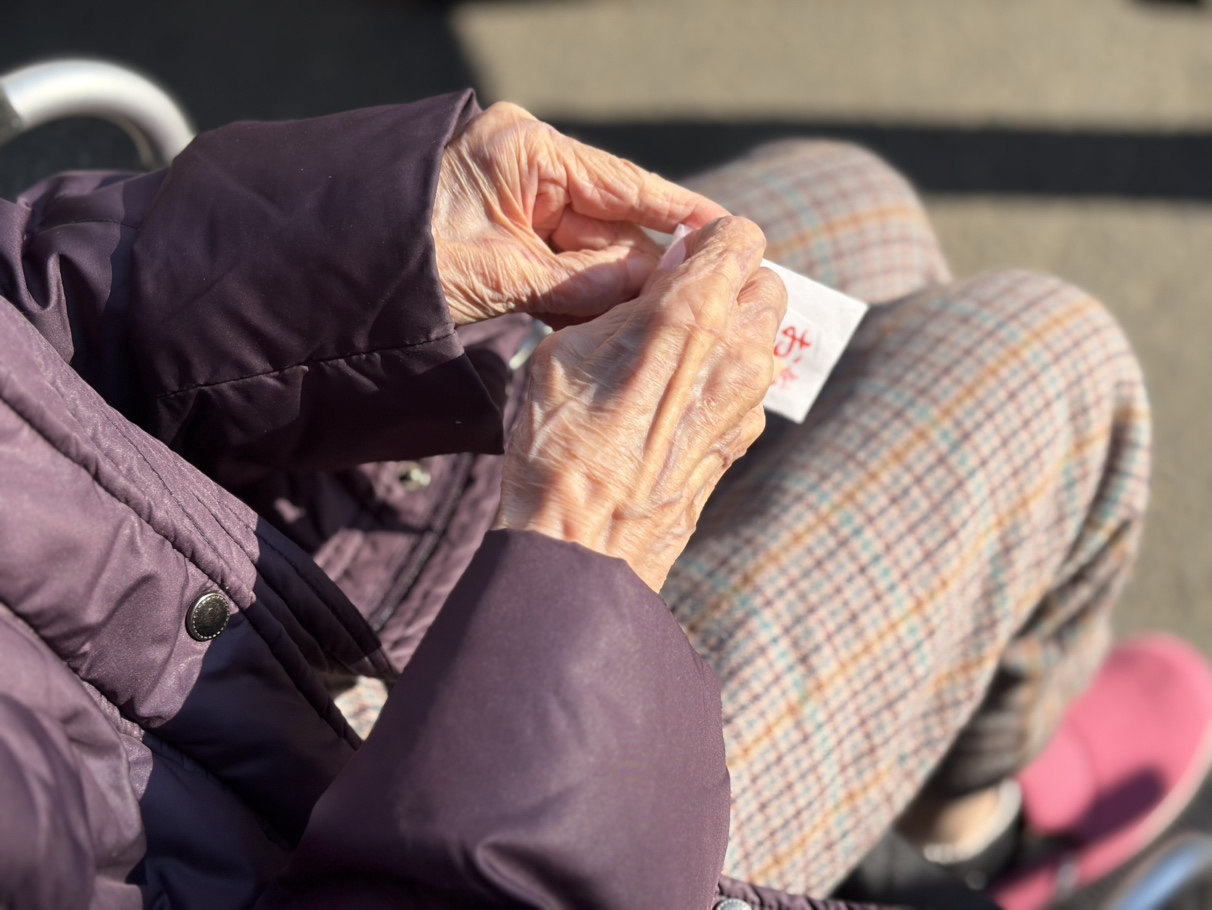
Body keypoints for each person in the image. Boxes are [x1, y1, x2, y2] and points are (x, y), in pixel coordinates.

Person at [0, 87, 1175, 909]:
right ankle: (967, 836)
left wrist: (374, 247)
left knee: (847, 210)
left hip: (228, 561)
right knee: (1036, 364)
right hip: (432, 842)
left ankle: (941, 767)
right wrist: (588, 540)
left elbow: (31, 321)